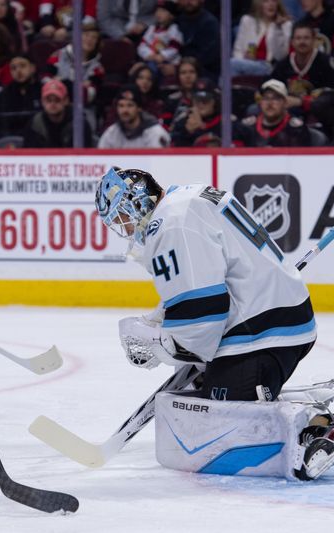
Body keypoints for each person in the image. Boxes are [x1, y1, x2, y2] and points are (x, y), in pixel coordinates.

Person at [95, 166, 317, 416]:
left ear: (136, 202)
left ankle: (313, 423)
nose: (124, 229)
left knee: (219, 423)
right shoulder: (183, 201)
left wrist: (162, 343)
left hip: (263, 335)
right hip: (274, 316)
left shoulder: (171, 224)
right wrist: (156, 320)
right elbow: (202, 279)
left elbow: (202, 315)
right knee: (195, 400)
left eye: (120, 218)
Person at [271, 21, 334, 113]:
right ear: (292, 42)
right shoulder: (283, 64)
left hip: (318, 111)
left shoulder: (326, 62)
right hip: (286, 110)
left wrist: (302, 102)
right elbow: (270, 87)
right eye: (298, 38)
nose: (302, 42)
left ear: (314, 40)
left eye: (306, 38)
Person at [21, 79, 94, 147]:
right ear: (42, 102)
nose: (53, 104)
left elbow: (86, 155)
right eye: (48, 100)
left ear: (66, 100)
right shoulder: (34, 124)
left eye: (57, 99)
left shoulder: (80, 125)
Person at [238, 79, 312, 146]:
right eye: (266, 98)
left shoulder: (296, 129)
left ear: (285, 103)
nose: (270, 103)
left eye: (275, 98)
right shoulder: (247, 127)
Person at [231, 0, 293, 77]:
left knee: (230, 64)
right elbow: (238, 50)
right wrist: (243, 60)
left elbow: (280, 56)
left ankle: (223, 88)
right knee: (231, 64)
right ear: (259, 4)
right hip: (247, 63)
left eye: (274, 1)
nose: (271, 4)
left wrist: (278, 28)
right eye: (266, 1)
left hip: (269, 67)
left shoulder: (285, 25)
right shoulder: (247, 21)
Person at [98, 85, 170, 148]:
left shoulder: (154, 132)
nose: (125, 110)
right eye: (121, 105)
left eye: (130, 105)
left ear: (139, 108)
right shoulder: (112, 132)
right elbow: (101, 159)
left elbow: (158, 161)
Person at [0, 54, 43, 139]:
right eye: (13, 68)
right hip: (11, 142)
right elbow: (0, 125)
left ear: (33, 68)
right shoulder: (4, 94)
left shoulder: (43, 90)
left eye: (22, 66)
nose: (18, 71)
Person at [137, 1, 183, 80]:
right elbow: (142, 45)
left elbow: (174, 47)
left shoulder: (174, 29)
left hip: (169, 61)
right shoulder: (151, 29)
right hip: (151, 59)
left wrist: (163, 55)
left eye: (163, 11)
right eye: (157, 10)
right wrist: (149, 54)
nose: (159, 13)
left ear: (171, 16)